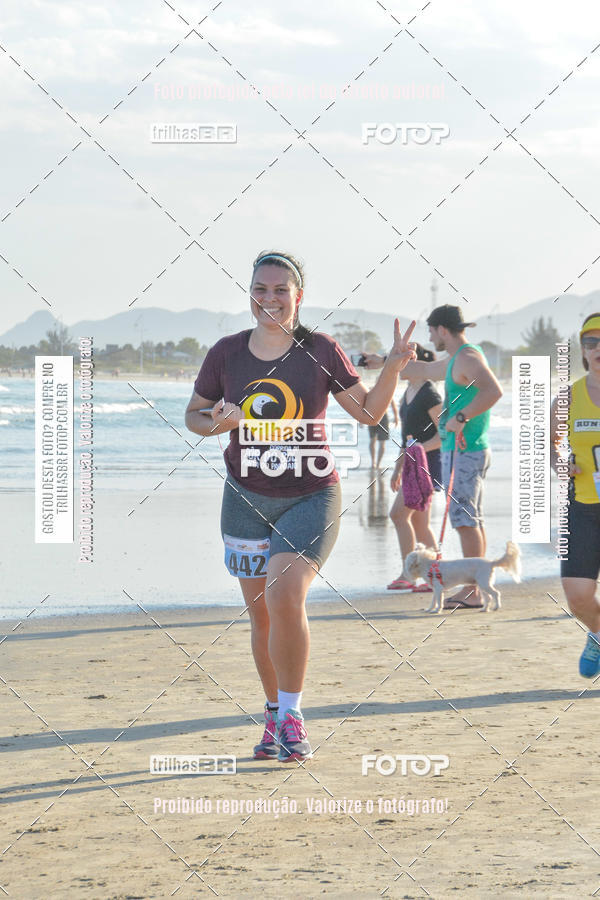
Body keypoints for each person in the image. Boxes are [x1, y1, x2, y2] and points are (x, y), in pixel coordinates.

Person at [185, 250, 417, 763]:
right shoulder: (226, 353)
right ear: (250, 294)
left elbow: (367, 413)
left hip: (313, 495)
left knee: (286, 593)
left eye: (280, 290)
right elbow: (194, 417)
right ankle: (272, 715)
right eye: (260, 289)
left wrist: (396, 368)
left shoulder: (320, 349)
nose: (270, 299)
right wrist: (217, 423)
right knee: (262, 617)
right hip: (244, 500)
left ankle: (292, 715)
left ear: (298, 297)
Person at [366, 304, 503, 609]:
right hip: (460, 450)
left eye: (431, 330)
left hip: (469, 449)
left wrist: (462, 416)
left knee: (465, 521)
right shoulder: (456, 359)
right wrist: (384, 363)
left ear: (442, 330)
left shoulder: (468, 357)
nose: (430, 337)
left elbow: (493, 391)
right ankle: (474, 588)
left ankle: (472, 591)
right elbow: (424, 370)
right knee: (467, 519)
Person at [550, 313, 600, 677]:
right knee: (577, 596)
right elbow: (550, 442)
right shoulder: (570, 396)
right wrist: (560, 462)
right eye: (591, 342)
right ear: (583, 351)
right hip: (582, 507)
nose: (597, 348)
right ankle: (597, 635)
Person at [387, 344, 443, 591]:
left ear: (419, 364)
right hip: (411, 466)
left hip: (427, 466)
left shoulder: (431, 395)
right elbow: (406, 438)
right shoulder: (406, 393)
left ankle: (409, 574)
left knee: (398, 514)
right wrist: (398, 468)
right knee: (420, 523)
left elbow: (444, 435)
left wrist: (417, 452)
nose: (400, 365)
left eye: (406, 361)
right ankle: (436, 575)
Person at [368, 398, 398, 469]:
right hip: (372, 416)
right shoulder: (371, 389)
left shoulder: (387, 389)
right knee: (372, 441)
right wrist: (361, 418)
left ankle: (378, 464)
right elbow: (365, 403)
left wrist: (396, 417)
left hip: (383, 417)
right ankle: (373, 462)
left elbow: (392, 403)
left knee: (382, 443)